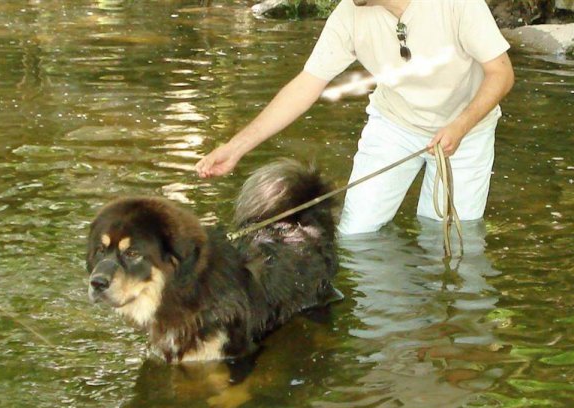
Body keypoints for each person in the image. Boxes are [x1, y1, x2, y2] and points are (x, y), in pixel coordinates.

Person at [195, 0, 515, 235]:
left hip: (467, 131)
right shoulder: (349, 14)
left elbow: (500, 72)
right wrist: (236, 147)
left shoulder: (458, 4)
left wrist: (461, 125)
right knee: (355, 234)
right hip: (394, 124)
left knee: (445, 235)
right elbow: (307, 85)